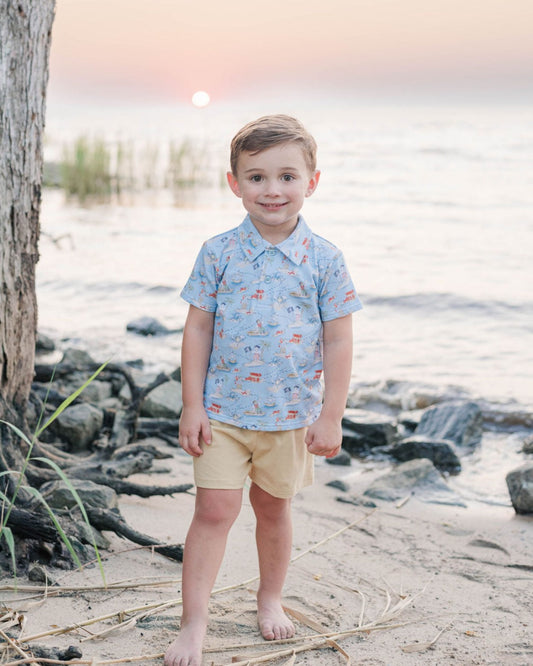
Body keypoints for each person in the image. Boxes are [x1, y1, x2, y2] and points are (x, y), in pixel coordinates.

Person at [164, 114, 362, 666]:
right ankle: (193, 623)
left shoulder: (325, 259)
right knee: (213, 511)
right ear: (235, 183)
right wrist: (192, 405)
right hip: (222, 414)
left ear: (311, 182)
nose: (272, 190)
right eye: (256, 177)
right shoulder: (218, 252)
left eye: (286, 176)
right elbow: (197, 330)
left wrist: (332, 414)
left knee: (273, 510)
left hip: (290, 415)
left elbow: (339, 340)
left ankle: (269, 598)